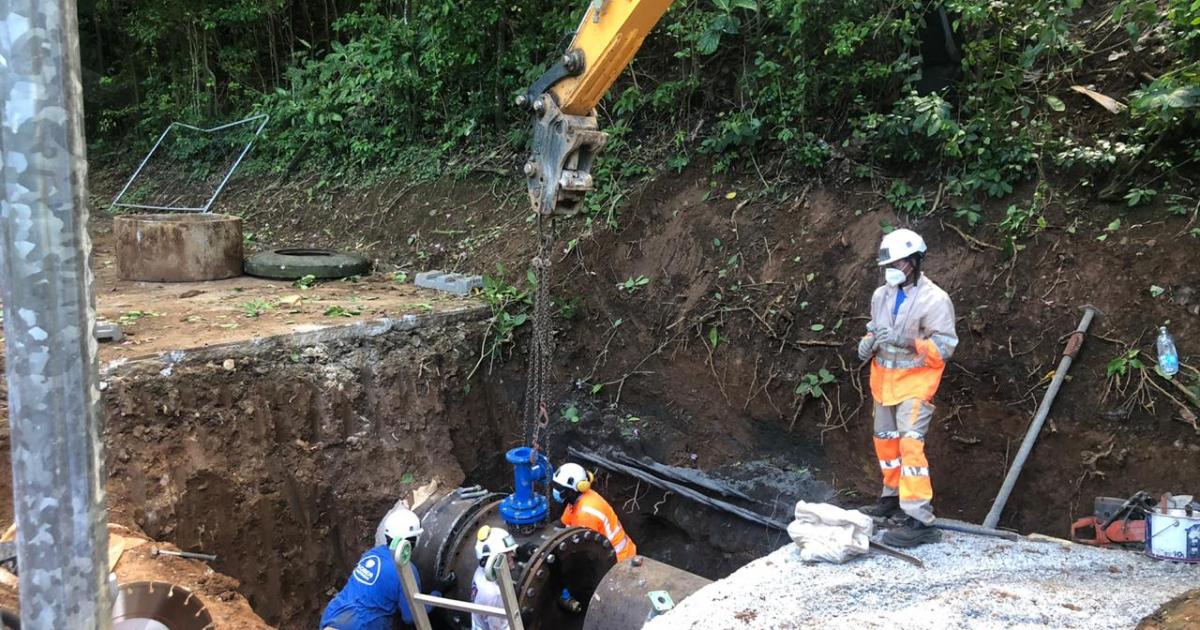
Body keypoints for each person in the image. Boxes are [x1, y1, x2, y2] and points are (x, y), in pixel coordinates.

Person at [856, 228, 957, 548]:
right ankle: (892, 498)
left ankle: (919, 519)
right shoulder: (880, 295)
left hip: (915, 385)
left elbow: (945, 347)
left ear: (914, 262)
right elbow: (874, 329)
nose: (892, 270)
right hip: (884, 383)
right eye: (889, 265)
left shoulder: (935, 300)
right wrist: (867, 343)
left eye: (898, 263)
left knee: (911, 447)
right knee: (886, 444)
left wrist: (909, 342)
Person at [320, 507, 455, 629]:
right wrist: (437, 593)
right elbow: (411, 616)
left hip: (333, 615)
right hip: (362, 625)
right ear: (413, 540)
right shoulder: (404, 570)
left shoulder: (372, 554)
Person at [552, 463, 637, 561]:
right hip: (607, 553)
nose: (555, 491)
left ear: (573, 490)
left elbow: (586, 552)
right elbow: (563, 523)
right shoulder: (574, 499)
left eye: (559, 488)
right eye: (555, 486)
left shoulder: (586, 513)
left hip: (619, 559)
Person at [471, 525, 518, 630]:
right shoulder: (494, 594)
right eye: (506, 553)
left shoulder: (480, 572)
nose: (513, 555)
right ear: (490, 561)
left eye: (511, 551)